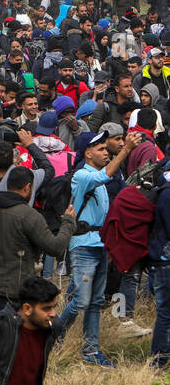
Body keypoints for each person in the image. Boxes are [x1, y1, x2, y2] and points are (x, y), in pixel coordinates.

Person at [53, 128, 138, 366]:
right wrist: (127, 150)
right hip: (83, 246)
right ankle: (54, 334)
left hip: (100, 244)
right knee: (81, 299)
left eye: (105, 148)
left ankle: (91, 350)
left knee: (95, 302)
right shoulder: (83, 175)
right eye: (100, 149)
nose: (105, 153)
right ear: (88, 153)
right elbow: (104, 176)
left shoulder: (100, 175)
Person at [0, 166, 75, 318]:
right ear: (27, 187)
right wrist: (68, 222)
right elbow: (55, 247)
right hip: (11, 293)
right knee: (7, 339)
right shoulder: (29, 216)